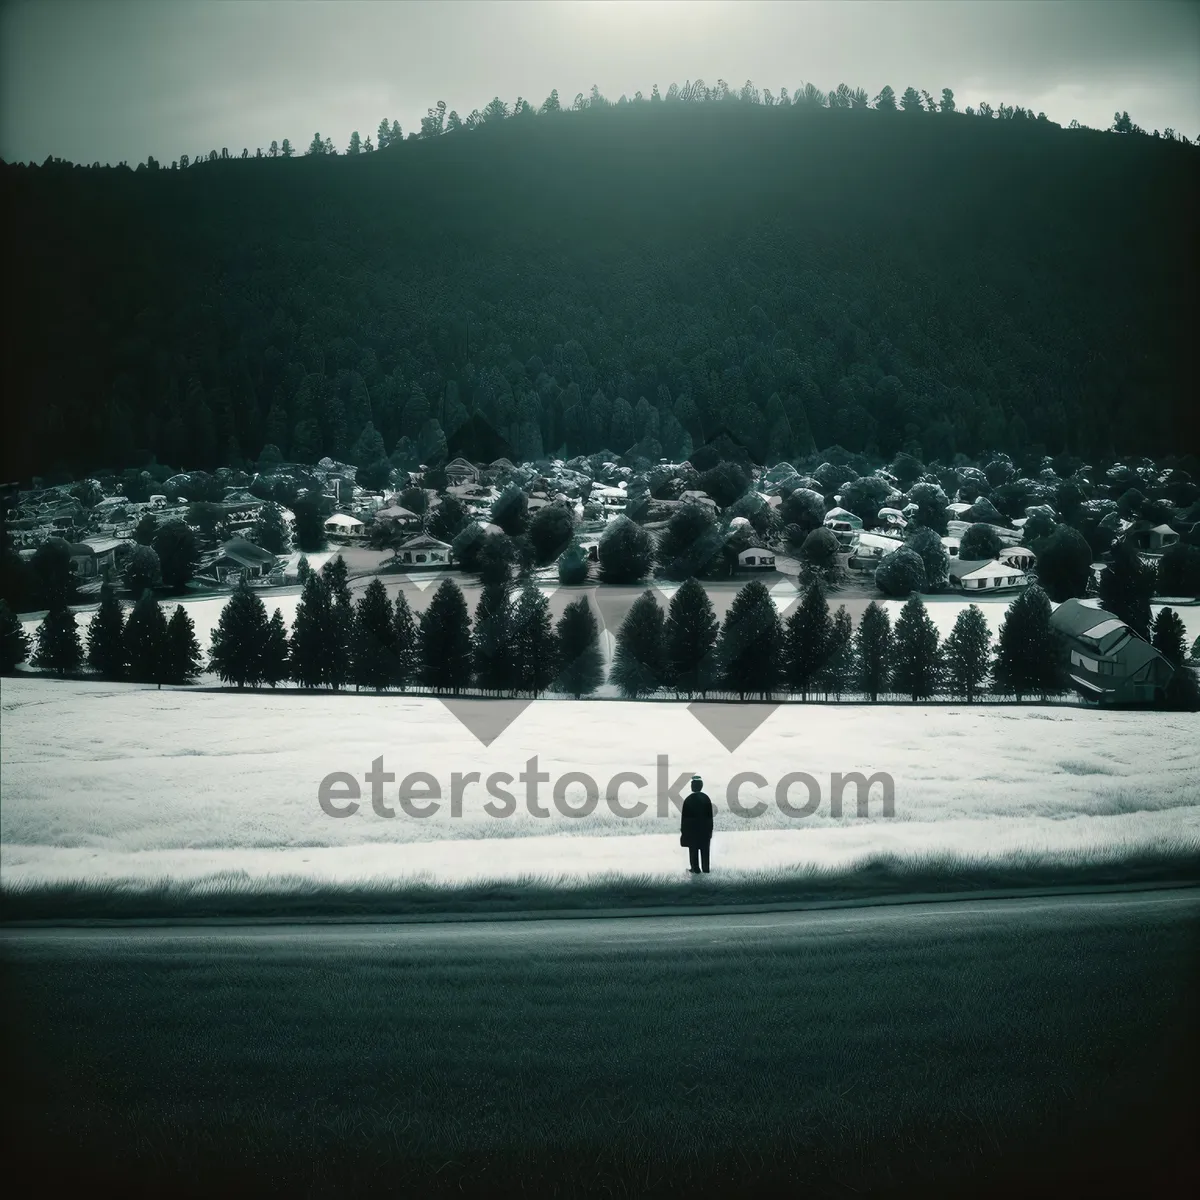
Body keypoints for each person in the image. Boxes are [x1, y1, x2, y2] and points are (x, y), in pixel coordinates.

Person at [680, 775, 714, 873]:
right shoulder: (706, 798)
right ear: (701, 786)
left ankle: (695, 869)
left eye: (692, 784)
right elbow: (710, 817)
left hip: (692, 832)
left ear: (693, 786)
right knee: (705, 852)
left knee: (693, 852)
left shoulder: (688, 799)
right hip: (705, 831)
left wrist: (684, 832)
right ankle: (706, 869)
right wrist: (710, 830)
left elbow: (684, 820)